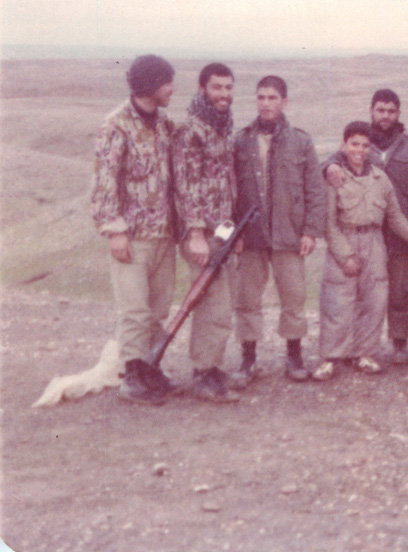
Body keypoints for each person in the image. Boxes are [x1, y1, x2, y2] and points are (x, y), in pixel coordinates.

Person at [322, 89, 408, 365]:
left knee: (399, 288)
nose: (385, 116)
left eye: (391, 111)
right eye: (380, 110)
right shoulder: (361, 142)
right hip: (366, 228)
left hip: (399, 228)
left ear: (398, 113)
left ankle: (399, 342)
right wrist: (328, 167)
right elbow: (332, 160)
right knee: (358, 291)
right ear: (372, 111)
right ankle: (354, 347)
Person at [91, 54, 177, 405]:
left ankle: (150, 368)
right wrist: (115, 231)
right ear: (151, 85)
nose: (172, 89)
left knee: (157, 310)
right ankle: (132, 377)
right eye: (167, 82)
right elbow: (104, 180)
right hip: (132, 238)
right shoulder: (116, 125)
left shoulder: (165, 124)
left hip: (163, 235)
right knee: (135, 311)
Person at [231, 75, 327, 382]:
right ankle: (248, 360)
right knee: (247, 299)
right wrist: (233, 235)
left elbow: (315, 190)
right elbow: (230, 191)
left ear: (284, 102)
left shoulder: (301, 141)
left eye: (272, 98)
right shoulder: (241, 140)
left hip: (289, 235)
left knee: (294, 298)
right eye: (261, 97)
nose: (265, 103)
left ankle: (294, 357)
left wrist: (310, 231)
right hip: (251, 236)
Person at [172, 62, 239, 401]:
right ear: (202, 89)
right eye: (217, 87)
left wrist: (232, 230)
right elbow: (187, 186)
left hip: (221, 229)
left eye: (228, 87)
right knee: (213, 303)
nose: (224, 94)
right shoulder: (191, 131)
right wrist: (196, 234)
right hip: (201, 233)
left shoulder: (222, 126)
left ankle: (211, 367)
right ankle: (202, 373)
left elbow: (224, 183)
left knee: (219, 303)